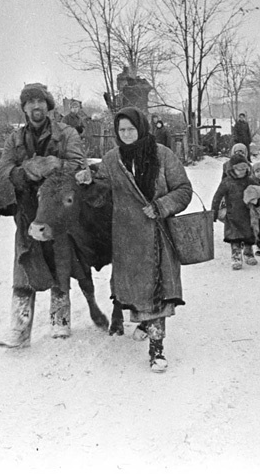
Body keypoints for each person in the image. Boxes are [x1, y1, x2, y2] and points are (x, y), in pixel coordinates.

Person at [78, 106, 192, 373]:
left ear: (141, 129)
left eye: (131, 129)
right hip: (128, 239)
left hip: (157, 236)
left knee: (158, 293)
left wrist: (161, 206)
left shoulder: (163, 156)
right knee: (138, 291)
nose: (127, 134)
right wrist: (87, 176)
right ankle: (144, 323)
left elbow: (184, 190)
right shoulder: (112, 159)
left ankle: (157, 350)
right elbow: (98, 174)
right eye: (122, 130)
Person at [0, 82, 86, 348]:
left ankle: (60, 319)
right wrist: (25, 171)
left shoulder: (67, 133)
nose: (36, 106)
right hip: (27, 211)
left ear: (48, 106)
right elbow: (3, 172)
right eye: (30, 102)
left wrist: (56, 165)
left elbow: (79, 167)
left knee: (59, 258)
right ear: (23, 108)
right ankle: (20, 328)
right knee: (24, 262)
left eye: (40, 102)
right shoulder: (15, 140)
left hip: (56, 212)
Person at [212, 152, 260, 270]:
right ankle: (236, 256)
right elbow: (217, 196)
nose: (242, 171)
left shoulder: (249, 181)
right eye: (239, 169)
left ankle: (248, 253)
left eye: (244, 168)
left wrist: (258, 202)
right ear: (232, 169)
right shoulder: (227, 182)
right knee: (234, 237)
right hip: (232, 214)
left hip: (247, 214)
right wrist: (214, 212)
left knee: (249, 235)